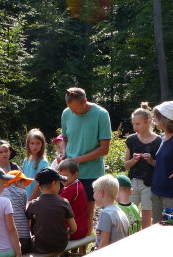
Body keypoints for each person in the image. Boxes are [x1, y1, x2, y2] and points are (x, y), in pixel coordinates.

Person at [60, 87, 112, 235]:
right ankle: (68, 244)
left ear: (84, 101)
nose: (73, 112)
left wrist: (77, 160)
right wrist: (64, 153)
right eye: (70, 108)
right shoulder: (66, 113)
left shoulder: (101, 114)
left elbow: (104, 149)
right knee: (66, 212)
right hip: (68, 174)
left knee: (87, 213)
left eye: (75, 108)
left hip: (91, 173)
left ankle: (85, 244)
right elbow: (65, 138)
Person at [26, 168, 76, 257]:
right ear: (53, 183)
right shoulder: (64, 202)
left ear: (39, 186)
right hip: (60, 244)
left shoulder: (33, 204)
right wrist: (67, 232)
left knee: (39, 239)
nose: (60, 186)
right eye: (59, 183)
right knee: (51, 239)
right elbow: (74, 228)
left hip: (40, 246)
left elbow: (28, 226)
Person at [124, 102, 161, 229]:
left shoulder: (158, 140)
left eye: (138, 124)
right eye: (133, 124)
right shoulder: (131, 139)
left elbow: (161, 166)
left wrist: (151, 161)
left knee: (146, 216)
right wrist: (134, 160)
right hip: (133, 183)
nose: (135, 127)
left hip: (149, 184)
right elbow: (126, 165)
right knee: (128, 213)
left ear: (148, 122)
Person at [57, 158, 89, 241]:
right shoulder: (74, 184)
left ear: (75, 175)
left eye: (65, 176)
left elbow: (56, 202)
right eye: (60, 176)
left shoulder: (72, 189)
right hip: (80, 227)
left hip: (74, 229)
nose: (62, 179)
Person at [22, 129, 50, 200]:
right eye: (32, 143)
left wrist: (30, 200)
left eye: (38, 143)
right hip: (25, 198)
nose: (35, 146)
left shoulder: (43, 162)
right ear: (28, 144)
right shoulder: (26, 161)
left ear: (42, 144)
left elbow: (39, 184)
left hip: (36, 200)